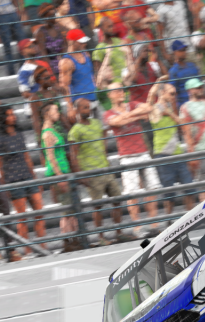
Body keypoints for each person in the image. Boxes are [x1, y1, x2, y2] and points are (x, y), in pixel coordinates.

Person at [105, 81, 161, 237]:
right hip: (127, 156)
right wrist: (136, 115)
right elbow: (116, 122)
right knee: (131, 194)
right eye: (116, 91)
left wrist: (127, 116)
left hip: (143, 152)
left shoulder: (132, 104)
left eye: (121, 90)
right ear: (109, 95)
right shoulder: (108, 113)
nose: (120, 92)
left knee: (152, 188)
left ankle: (154, 224)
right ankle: (137, 228)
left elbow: (148, 108)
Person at [68, 97, 124, 244]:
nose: (88, 110)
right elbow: (73, 154)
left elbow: (104, 136)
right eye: (85, 107)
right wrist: (80, 175)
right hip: (91, 173)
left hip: (105, 169)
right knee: (98, 206)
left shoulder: (97, 123)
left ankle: (119, 232)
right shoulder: (75, 130)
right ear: (77, 110)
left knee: (117, 200)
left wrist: (105, 155)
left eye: (89, 107)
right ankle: (101, 237)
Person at [0, 106, 46, 256]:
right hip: (13, 179)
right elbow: (0, 163)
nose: (13, 117)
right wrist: (4, 184)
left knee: (39, 212)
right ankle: (27, 250)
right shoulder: (1, 138)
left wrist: (34, 177)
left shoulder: (19, 133)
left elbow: (26, 156)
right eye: (9, 115)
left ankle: (43, 246)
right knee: (22, 217)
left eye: (13, 114)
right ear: (3, 118)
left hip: (27, 176)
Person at [148, 79, 194, 217]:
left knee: (189, 188)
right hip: (163, 154)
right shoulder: (155, 109)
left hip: (177, 153)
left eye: (175, 94)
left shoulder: (169, 109)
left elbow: (181, 123)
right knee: (169, 193)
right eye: (171, 94)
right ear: (162, 93)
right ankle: (168, 220)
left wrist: (170, 113)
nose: (174, 96)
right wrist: (157, 83)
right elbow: (150, 101)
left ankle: (190, 218)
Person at [40, 102, 81, 252]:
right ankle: (67, 241)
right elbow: (50, 157)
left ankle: (74, 240)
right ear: (47, 114)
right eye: (55, 110)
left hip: (64, 172)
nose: (58, 113)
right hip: (59, 174)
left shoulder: (52, 130)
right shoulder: (47, 133)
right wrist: (60, 176)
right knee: (66, 210)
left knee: (71, 209)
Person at [59, 28, 96, 113]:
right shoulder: (66, 62)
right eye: (81, 42)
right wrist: (70, 107)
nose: (85, 44)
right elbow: (64, 86)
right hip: (80, 103)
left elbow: (91, 76)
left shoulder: (86, 54)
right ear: (72, 42)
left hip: (94, 97)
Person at [167, 40, 200, 107]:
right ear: (175, 53)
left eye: (185, 50)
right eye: (181, 50)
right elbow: (173, 93)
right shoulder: (173, 71)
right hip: (184, 104)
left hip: (198, 100)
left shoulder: (192, 65)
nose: (184, 52)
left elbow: (199, 82)